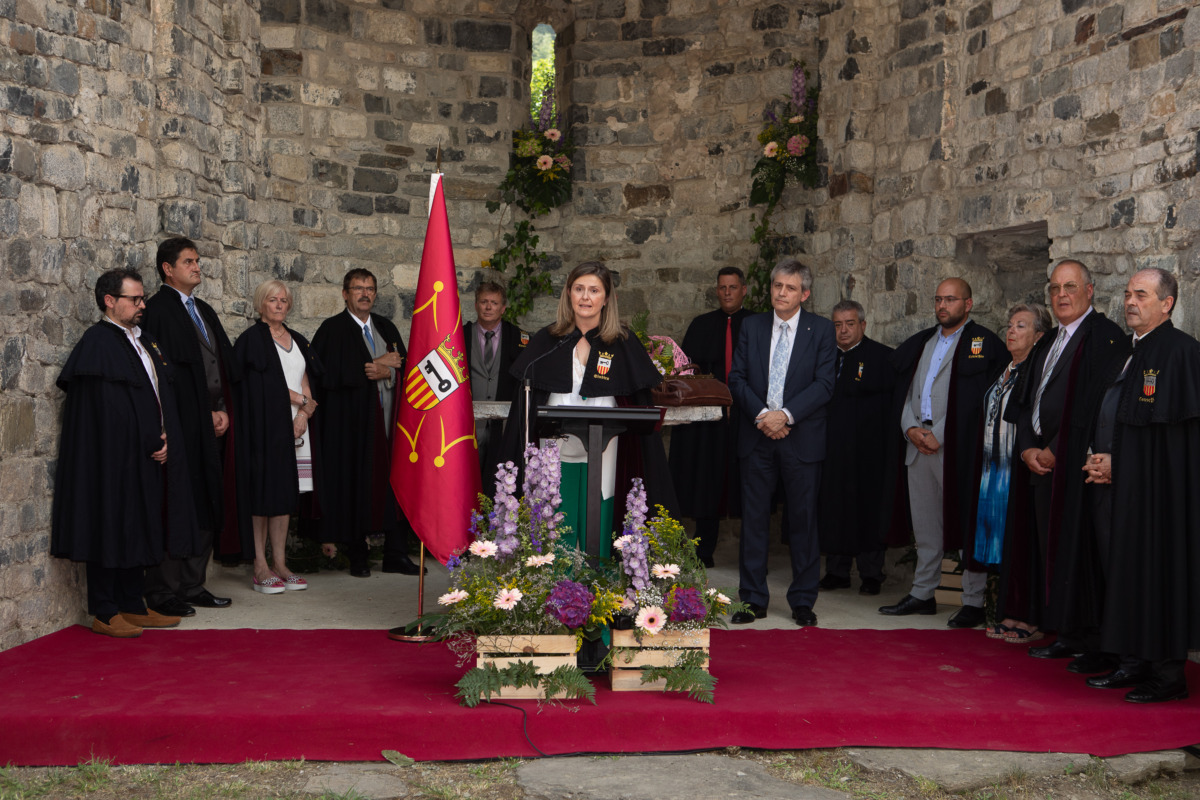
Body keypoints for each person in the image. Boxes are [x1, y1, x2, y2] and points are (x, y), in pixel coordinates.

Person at [1067, 269, 1199, 703]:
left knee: (1156, 577)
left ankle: (1167, 675)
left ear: (1167, 303)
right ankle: (1133, 660)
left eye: (1141, 295)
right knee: (1123, 575)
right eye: (1127, 294)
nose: (1130, 301)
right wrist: (1097, 456)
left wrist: (1119, 464)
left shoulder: (1181, 353)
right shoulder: (1127, 351)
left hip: (1156, 499)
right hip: (1114, 490)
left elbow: (1174, 442)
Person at [51, 269, 197, 637]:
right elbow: (107, 411)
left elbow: (158, 394)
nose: (142, 305)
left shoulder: (143, 340)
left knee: (139, 526)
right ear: (109, 301)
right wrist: (147, 440)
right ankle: (105, 611)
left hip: (145, 455)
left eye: (142, 298)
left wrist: (166, 435)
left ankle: (133, 604)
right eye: (135, 299)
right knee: (109, 526)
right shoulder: (98, 343)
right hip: (111, 460)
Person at [501, 261, 675, 556]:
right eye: (579, 289)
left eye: (594, 290)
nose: (585, 297)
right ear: (568, 293)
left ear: (606, 298)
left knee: (601, 511)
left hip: (606, 445)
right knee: (558, 513)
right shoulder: (547, 340)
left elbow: (638, 400)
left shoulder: (623, 342)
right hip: (555, 446)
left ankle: (599, 575)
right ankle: (557, 575)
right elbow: (526, 404)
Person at [1005, 261, 1124, 657]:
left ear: (1089, 291)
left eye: (1070, 287)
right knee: (1049, 550)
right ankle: (1064, 631)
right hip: (1040, 464)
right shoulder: (1048, 340)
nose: (1061, 295)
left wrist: (1056, 449)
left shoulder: (1104, 337)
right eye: (1055, 288)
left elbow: (1093, 406)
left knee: (1080, 553)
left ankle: (1089, 638)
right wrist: (1026, 446)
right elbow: (1026, 399)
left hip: (1076, 467)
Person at [880, 278, 1005, 628]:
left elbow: (980, 400)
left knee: (965, 523)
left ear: (968, 304)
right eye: (938, 299)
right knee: (926, 528)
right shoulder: (923, 343)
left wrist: (939, 434)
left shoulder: (984, 344)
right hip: (917, 446)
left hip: (957, 450)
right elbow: (904, 392)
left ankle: (973, 601)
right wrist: (910, 428)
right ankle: (923, 594)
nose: (942, 306)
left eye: (950, 299)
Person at [727, 258, 835, 627]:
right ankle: (752, 599)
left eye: (790, 288)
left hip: (801, 439)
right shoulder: (752, 326)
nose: (781, 293)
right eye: (777, 286)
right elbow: (737, 378)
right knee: (754, 521)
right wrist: (764, 416)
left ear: (804, 294)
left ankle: (803, 601)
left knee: (803, 522)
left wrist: (785, 415)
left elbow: (824, 384)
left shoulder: (821, 330)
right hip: (757, 437)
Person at [140, 237, 238, 618]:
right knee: (176, 502)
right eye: (188, 261)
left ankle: (193, 583)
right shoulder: (157, 311)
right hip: (180, 425)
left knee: (206, 498)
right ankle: (162, 590)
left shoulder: (203, 310)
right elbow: (159, 375)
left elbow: (220, 366)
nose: (197, 267)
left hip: (211, 424)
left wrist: (221, 409)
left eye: (197, 260)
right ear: (168, 269)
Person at [311, 269, 422, 578]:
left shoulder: (386, 327)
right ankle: (357, 555)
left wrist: (388, 372)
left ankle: (395, 554)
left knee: (395, 485)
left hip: (389, 424)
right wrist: (373, 365)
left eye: (370, 289)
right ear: (345, 294)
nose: (365, 294)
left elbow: (407, 367)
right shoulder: (332, 329)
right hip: (351, 427)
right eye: (358, 288)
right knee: (355, 485)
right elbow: (325, 375)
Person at [234, 280, 323, 593]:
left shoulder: (296, 339)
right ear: (261, 304)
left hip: (297, 428)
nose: (279, 305)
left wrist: (302, 415)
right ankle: (260, 566)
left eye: (284, 300)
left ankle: (281, 564)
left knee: (285, 493)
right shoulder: (251, 341)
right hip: (264, 428)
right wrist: (300, 400)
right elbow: (258, 385)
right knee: (262, 492)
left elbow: (306, 379)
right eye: (273, 300)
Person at [971, 303, 1050, 641]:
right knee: (1005, 545)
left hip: (1019, 471)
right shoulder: (1003, 368)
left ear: (1039, 336)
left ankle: (1028, 618)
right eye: (1010, 324)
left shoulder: (1037, 371)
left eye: (1021, 325)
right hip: (993, 471)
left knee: (1022, 545)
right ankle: (1009, 611)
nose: (1011, 331)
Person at [668, 267, 753, 567]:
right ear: (716, 291)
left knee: (749, 481)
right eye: (722, 287)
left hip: (748, 415)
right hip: (710, 419)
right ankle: (704, 550)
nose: (727, 293)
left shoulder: (757, 324)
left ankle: (753, 555)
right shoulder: (701, 325)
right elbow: (686, 371)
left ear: (744, 290)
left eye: (733, 287)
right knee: (707, 477)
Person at [816, 300, 896, 596]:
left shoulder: (883, 358)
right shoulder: (823, 357)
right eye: (837, 325)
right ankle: (837, 571)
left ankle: (871, 573)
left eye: (850, 324)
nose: (844, 330)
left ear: (863, 324)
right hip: (832, 450)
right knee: (834, 507)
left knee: (868, 509)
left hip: (869, 452)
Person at [462, 280, 527, 479]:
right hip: (467, 424)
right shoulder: (460, 336)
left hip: (504, 425)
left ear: (503, 308)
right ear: (476, 305)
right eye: (484, 302)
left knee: (499, 480)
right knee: (467, 476)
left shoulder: (519, 338)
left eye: (494, 303)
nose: (488, 307)